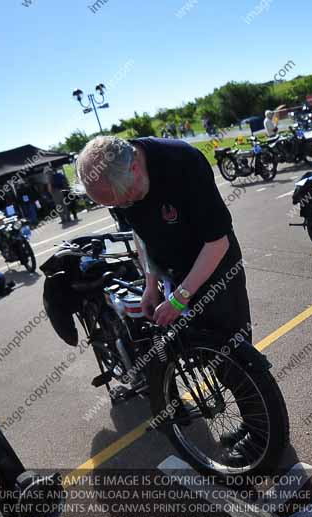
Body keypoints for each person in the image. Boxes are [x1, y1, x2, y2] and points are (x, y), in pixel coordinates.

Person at [76, 135, 256, 457]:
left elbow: (217, 242)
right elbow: (140, 235)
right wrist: (150, 283)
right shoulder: (118, 185)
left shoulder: (182, 163)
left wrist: (180, 298)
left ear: (134, 166)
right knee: (209, 356)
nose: (120, 206)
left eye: (121, 198)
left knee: (235, 353)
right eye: (112, 205)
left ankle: (261, 436)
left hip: (214, 267)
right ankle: (255, 422)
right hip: (172, 271)